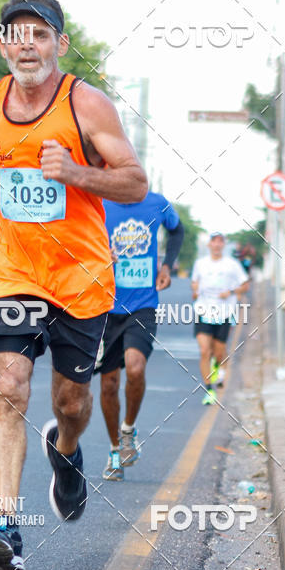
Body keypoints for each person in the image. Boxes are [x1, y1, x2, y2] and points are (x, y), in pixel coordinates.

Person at [0, 0, 147, 570]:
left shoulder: (87, 105)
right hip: (12, 269)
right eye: (17, 34)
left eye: (40, 34)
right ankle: (5, 527)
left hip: (80, 277)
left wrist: (75, 172)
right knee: (10, 385)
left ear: (60, 45)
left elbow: (134, 182)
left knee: (69, 403)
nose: (28, 44)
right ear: (3, 46)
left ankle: (68, 450)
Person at [96, 192, 184, 480]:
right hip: (103, 306)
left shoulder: (157, 203)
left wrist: (168, 265)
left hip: (143, 305)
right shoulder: (98, 201)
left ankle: (128, 431)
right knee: (109, 384)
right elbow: (74, 237)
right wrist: (97, 254)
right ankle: (113, 450)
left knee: (135, 367)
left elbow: (177, 229)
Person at [191, 232, 248, 405]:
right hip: (203, 310)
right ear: (209, 245)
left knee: (218, 351)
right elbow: (194, 282)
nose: (216, 245)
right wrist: (195, 289)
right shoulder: (200, 263)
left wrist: (230, 292)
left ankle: (219, 367)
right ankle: (209, 389)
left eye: (220, 242)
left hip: (224, 312)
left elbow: (245, 285)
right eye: (213, 242)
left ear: (223, 245)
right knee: (204, 351)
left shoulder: (232, 265)